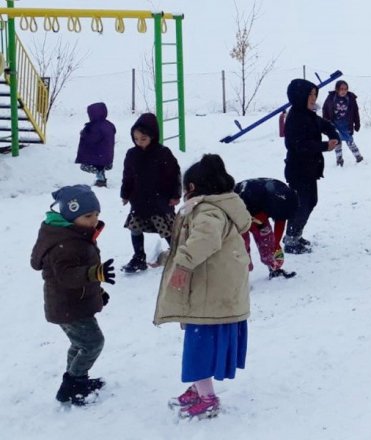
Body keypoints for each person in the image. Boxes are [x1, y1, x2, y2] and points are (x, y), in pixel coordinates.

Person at [156, 154, 251, 420]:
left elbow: (204, 240)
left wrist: (182, 265)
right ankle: (199, 389)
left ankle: (207, 397)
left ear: (192, 188)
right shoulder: (221, 206)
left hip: (211, 291)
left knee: (199, 346)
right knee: (203, 342)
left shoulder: (207, 210)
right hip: (217, 288)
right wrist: (168, 259)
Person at [30, 185, 115, 405]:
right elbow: (67, 276)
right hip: (67, 305)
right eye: (88, 216)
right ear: (70, 214)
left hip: (72, 303)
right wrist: (96, 273)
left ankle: (77, 380)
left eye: (97, 214)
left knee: (79, 344)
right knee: (93, 343)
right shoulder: (64, 244)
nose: (94, 220)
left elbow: (81, 272)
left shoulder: (74, 234)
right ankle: (74, 384)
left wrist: (97, 292)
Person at [283, 79, 340, 254]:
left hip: (310, 169)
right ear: (299, 96)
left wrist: (333, 133)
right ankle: (291, 240)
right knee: (301, 204)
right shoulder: (295, 118)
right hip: (298, 170)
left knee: (311, 201)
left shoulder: (308, 114)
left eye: (315, 94)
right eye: (310, 94)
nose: (313, 98)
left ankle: (296, 235)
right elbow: (300, 146)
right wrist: (325, 146)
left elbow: (324, 124)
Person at [119, 113, 181, 272]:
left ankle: (179, 256)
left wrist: (175, 194)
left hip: (159, 201)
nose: (139, 142)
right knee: (135, 228)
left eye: (143, 139)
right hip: (138, 200)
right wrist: (125, 194)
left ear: (153, 136)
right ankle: (138, 257)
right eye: (136, 139)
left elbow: (174, 174)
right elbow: (128, 176)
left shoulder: (163, 153)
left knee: (167, 229)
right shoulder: (132, 154)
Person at [234, 178, 297, 278]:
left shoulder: (284, 198)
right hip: (238, 213)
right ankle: (242, 276)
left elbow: (281, 219)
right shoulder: (254, 195)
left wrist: (275, 243)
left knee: (267, 240)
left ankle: (274, 268)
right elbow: (254, 218)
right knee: (242, 246)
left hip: (259, 209)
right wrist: (257, 219)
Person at [321, 80, 364, 167]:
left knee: (350, 141)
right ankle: (339, 159)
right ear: (337, 89)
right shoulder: (331, 98)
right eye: (341, 89)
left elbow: (355, 111)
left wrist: (357, 123)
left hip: (346, 124)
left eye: (345, 89)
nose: (343, 91)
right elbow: (325, 110)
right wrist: (325, 123)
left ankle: (358, 157)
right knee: (337, 141)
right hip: (335, 124)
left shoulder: (351, 98)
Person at [74, 102, 116, 187]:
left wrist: (84, 133)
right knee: (100, 166)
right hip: (106, 154)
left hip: (96, 155)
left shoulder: (95, 127)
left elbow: (92, 138)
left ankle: (100, 178)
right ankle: (101, 178)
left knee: (86, 166)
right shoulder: (108, 124)